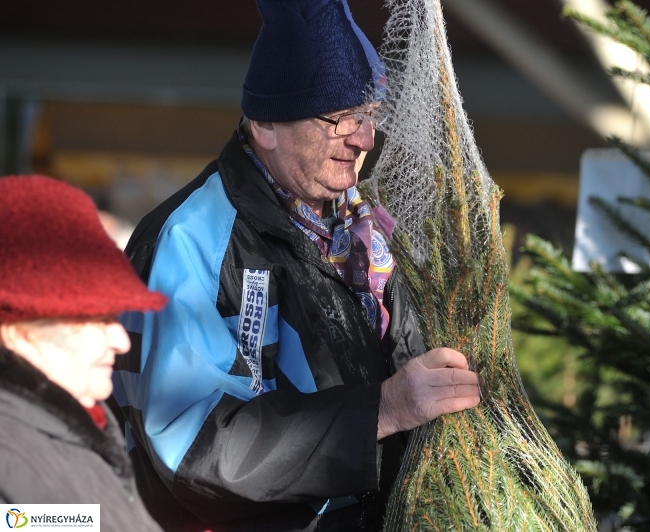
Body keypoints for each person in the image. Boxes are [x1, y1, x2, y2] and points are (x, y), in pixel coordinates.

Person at [112, 1, 481, 531]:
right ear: (265, 125)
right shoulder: (193, 237)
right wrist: (383, 410)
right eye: (340, 119)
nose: (363, 139)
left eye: (370, 115)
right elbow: (194, 448)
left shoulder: (365, 229)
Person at [0, 175, 167, 531]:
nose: (121, 342)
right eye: (95, 320)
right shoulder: (12, 464)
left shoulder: (69, 430)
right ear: (15, 333)